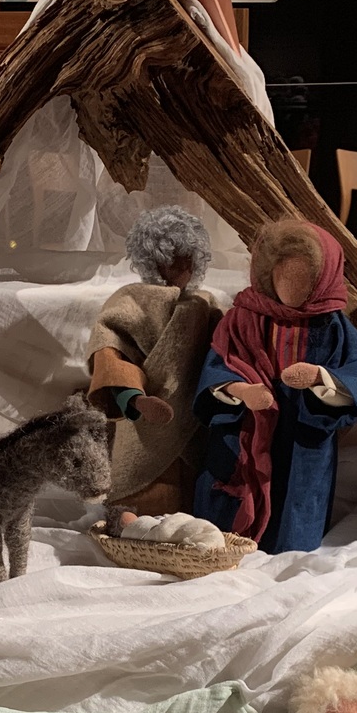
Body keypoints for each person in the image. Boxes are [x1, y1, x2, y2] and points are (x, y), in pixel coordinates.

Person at [193, 220, 357, 552]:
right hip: (247, 424)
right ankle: (228, 542)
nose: (292, 288)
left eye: (304, 279)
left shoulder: (330, 323)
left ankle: (288, 546)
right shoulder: (243, 317)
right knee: (231, 487)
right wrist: (241, 391)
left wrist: (319, 377)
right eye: (283, 276)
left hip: (303, 426)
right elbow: (220, 361)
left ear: (323, 279)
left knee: (298, 496)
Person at [87, 206, 222, 517]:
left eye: (187, 261)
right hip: (144, 410)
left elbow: (221, 345)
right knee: (146, 486)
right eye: (170, 261)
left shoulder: (204, 304)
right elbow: (109, 347)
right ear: (151, 260)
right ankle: (132, 519)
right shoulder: (129, 299)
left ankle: (187, 521)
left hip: (189, 408)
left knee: (189, 480)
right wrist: (132, 396)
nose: (180, 269)